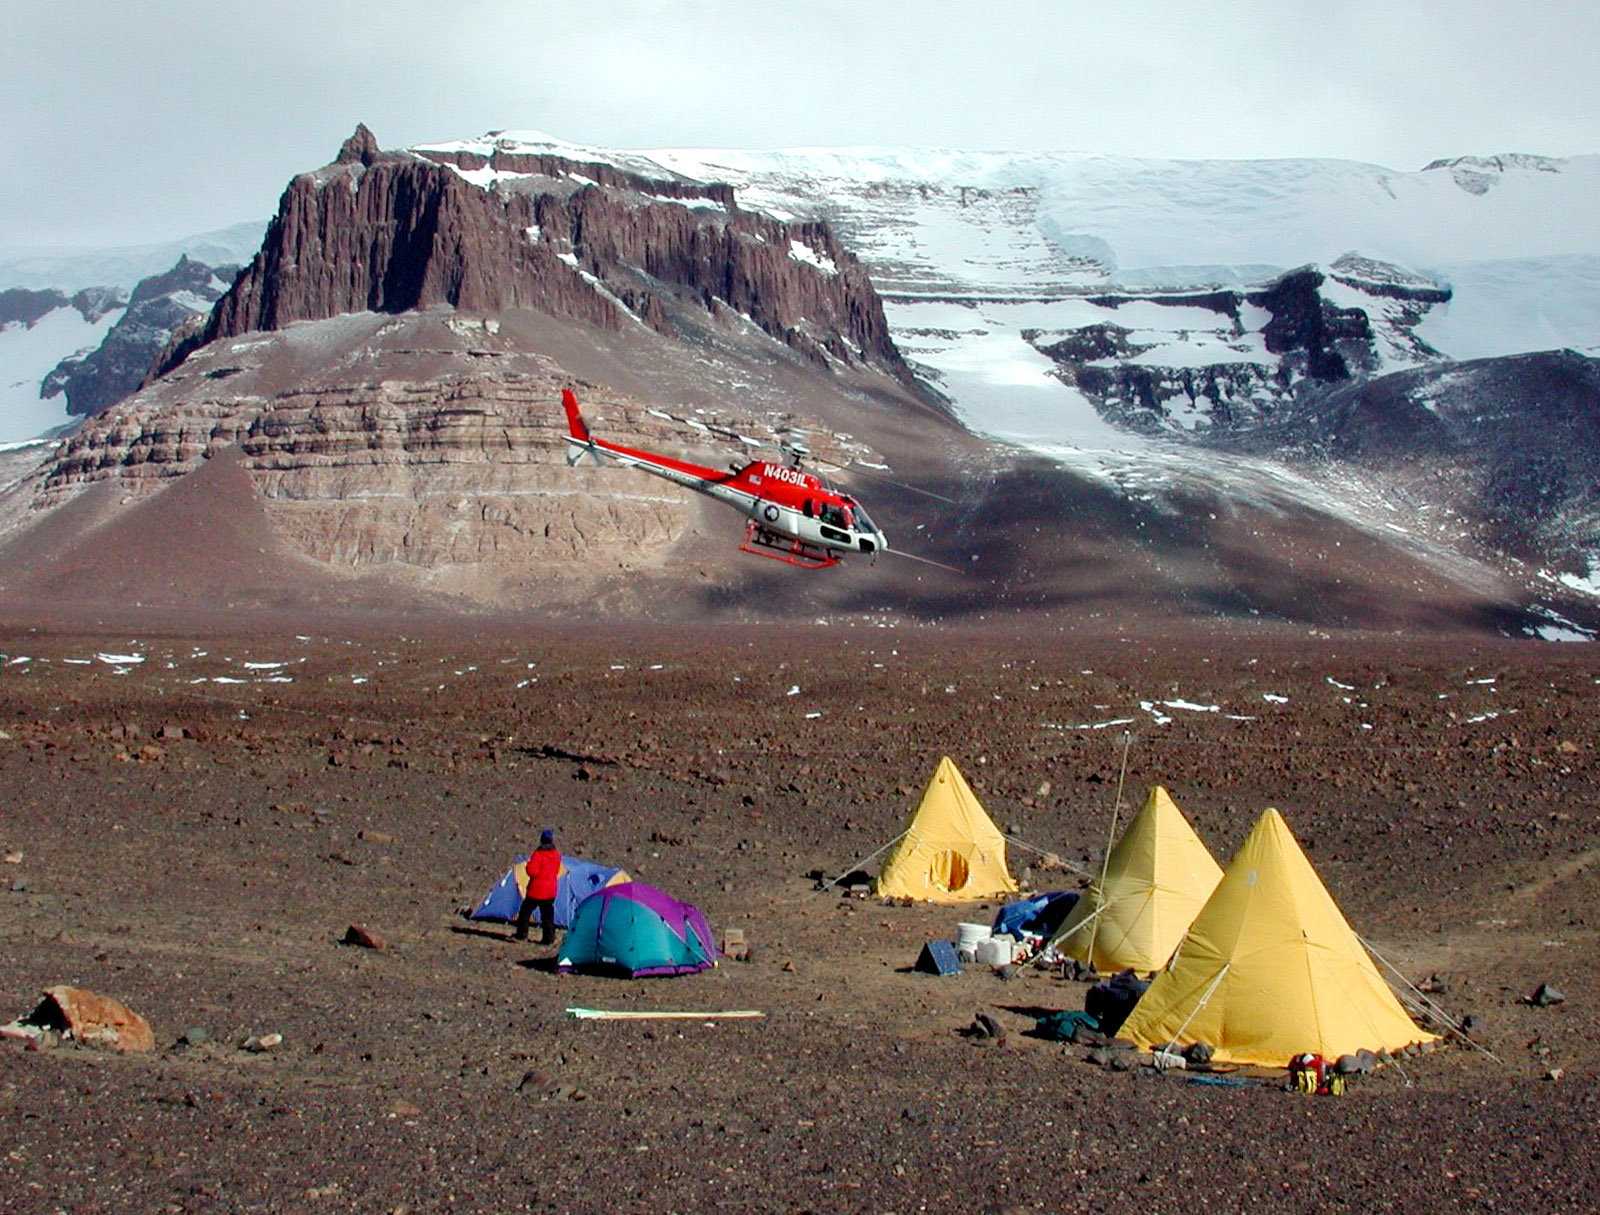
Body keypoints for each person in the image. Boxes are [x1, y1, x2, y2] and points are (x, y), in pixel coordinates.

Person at [514, 828, 562, 944]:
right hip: (550, 890)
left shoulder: (538, 854)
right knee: (547, 915)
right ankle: (548, 938)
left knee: (525, 912)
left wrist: (528, 866)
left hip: (537, 890)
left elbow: (532, 871)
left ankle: (521, 934)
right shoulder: (556, 854)